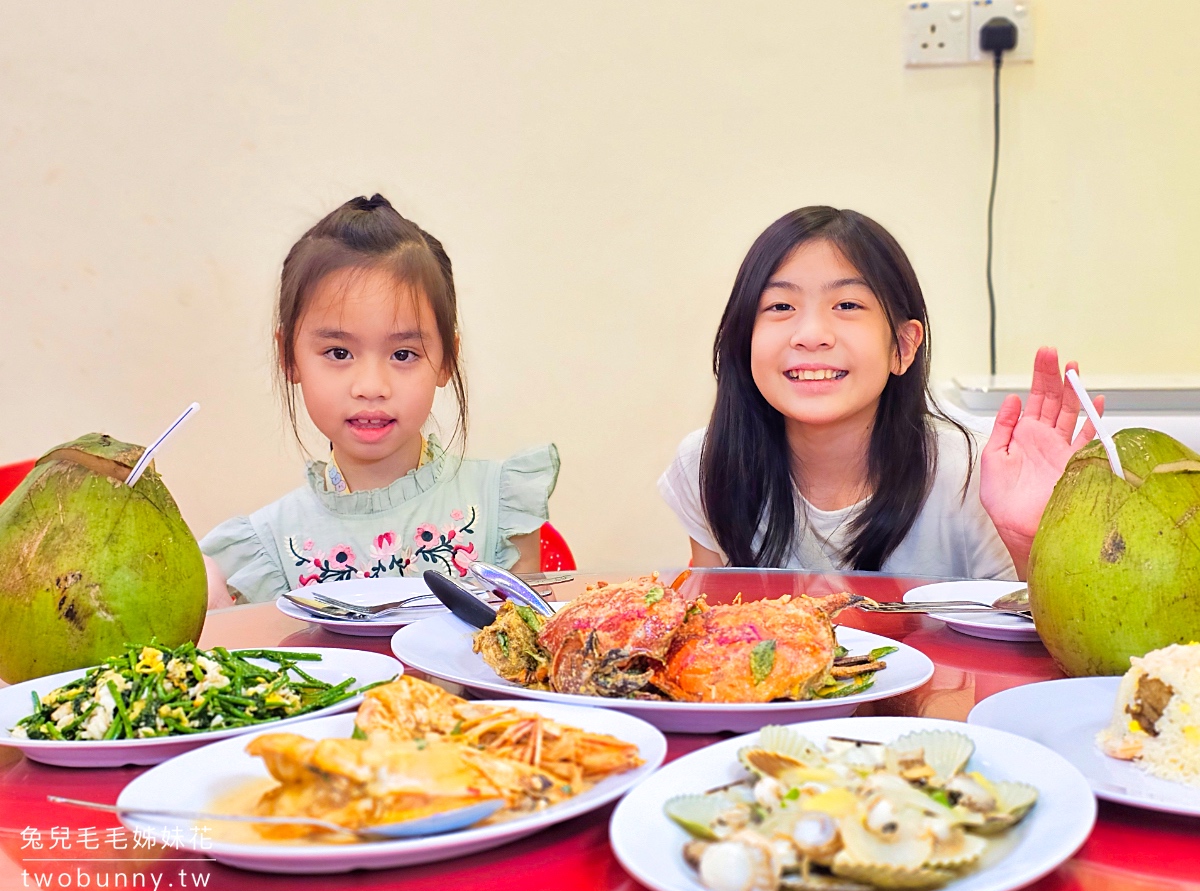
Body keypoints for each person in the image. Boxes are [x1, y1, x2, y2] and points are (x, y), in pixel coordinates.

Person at [658, 206, 1099, 580]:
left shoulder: (971, 476)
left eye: (847, 305)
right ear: (743, 339)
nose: (811, 335)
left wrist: (1032, 543)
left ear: (903, 347)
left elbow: (1037, 660)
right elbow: (717, 638)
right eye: (780, 307)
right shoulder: (707, 464)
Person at [202, 194, 559, 607]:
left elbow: (521, 657)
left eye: (403, 354)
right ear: (288, 357)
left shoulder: (502, 506)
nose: (371, 386)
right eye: (339, 353)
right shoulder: (263, 551)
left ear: (447, 360)